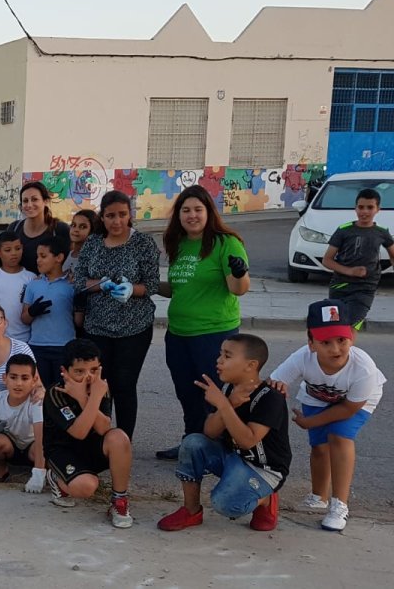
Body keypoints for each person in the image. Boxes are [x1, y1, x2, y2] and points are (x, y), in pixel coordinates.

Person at [268, 299, 386, 532]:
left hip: (357, 401)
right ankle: (318, 496)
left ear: (352, 336)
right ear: (311, 343)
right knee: (319, 447)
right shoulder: (302, 357)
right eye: (325, 342)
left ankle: (339, 505)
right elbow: (274, 382)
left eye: (342, 340)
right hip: (318, 397)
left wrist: (308, 422)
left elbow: (347, 410)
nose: (335, 349)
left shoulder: (364, 368)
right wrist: (278, 390)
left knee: (339, 437)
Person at [155, 185, 250, 460]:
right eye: (186, 210)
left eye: (198, 209)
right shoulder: (179, 243)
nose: (192, 215)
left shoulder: (226, 243)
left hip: (214, 334)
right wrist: (146, 285)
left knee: (214, 395)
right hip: (178, 334)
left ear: (209, 212)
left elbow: (238, 288)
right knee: (187, 393)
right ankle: (192, 443)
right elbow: (177, 287)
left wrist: (239, 272)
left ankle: (219, 447)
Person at [158, 334, 289, 533]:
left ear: (250, 365)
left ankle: (266, 499)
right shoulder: (228, 389)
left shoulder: (270, 397)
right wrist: (228, 403)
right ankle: (191, 510)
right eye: (220, 354)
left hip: (263, 469)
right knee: (193, 442)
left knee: (225, 505)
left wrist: (222, 404)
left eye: (227, 356)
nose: (219, 360)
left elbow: (247, 441)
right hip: (233, 457)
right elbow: (209, 432)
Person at [73, 190, 160, 439]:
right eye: (110, 216)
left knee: (124, 385)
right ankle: (100, 437)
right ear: (103, 217)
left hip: (134, 327)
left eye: (122, 215)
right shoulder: (93, 242)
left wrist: (133, 289)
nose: (117, 221)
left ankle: (122, 440)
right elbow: (79, 281)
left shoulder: (143, 243)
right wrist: (101, 284)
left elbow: (152, 284)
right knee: (100, 385)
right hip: (97, 327)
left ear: (130, 215)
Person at [43, 338, 134, 528]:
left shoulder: (100, 387)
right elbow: (79, 432)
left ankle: (119, 501)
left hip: (91, 447)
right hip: (63, 450)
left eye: (94, 370)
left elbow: (103, 428)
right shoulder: (55, 393)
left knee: (119, 438)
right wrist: (89, 398)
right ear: (64, 371)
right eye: (79, 371)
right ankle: (56, 478)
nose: (88, 377)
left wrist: (85, 397)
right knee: (87, 487)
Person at [321, 187, 394, 330]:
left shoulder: (382, 233)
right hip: (340, 286)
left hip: (365, 289)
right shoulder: (344, 230)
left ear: (378, 209)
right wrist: (350, 271)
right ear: (355, 208)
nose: (364, 212)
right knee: (334, 327)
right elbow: (327, 260)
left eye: (370, 207)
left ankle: (349, 352)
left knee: (350, 327)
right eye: (361, 207)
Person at [0, 354, 46, 492]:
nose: (19, 383)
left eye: (25, 378)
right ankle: (1, 469)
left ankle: (42, 471)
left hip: (32, 447)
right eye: (13, 377)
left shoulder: (36, 401)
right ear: (5, 378)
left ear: (34, 380)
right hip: (10, 447)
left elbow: (40, 437)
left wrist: (39, 474)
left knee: (46, 446)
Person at [22, 236, 77, 388]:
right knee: (41, 393)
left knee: (62, 392)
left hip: (64, 346)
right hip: (37, 347)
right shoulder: (33, 285)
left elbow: (79, 320)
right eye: (37, 256)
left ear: (59, 257)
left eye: (43, 256)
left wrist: (81, 302)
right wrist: (33, 312)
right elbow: (25, 318)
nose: (38, 260)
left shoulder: (71, 285)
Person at [0, 181, 70, 275]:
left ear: (45, 201)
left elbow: (71, 259)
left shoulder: (59, 229)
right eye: (25, 201)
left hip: (48, 287)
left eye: (34, 199)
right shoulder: (14, 228)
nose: (29, 205)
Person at [0, 230, 37, 342]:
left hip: (25, 339)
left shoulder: (31, 278)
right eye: (7, 250)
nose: (14, 253)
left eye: (18, 248)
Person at [64, 209, 97, 278]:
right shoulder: (67, 253)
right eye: (73, 225)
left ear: (92, 231)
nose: (76, 230)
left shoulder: (93, 258)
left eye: (83, 227)